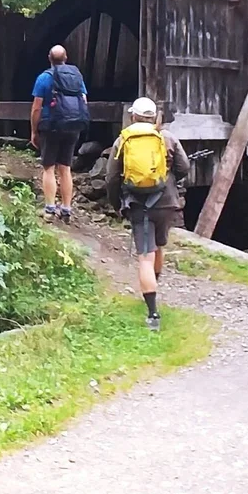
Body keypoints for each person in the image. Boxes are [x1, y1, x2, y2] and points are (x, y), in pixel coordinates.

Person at [103, 97, 189, 331]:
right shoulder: (167, 137)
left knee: (145, 256)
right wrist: (168, 181)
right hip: (166, 201)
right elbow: (184, 167)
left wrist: (116, 203)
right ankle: (154, 285)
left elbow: (111, 178)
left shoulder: (123, 140)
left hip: (138, 204)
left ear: (133, 116)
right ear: (154, 117)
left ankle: (153, 313)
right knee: (159, 247)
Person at [28, 45, 88, 222]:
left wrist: (34, 130)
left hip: (51, 127)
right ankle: (66, 209)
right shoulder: (77, 76)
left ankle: (49, 209)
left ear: (49, 58)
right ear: (66, 57)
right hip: (72, 126)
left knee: (49, 168)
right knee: (65, 168)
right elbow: (84, 100)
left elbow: (36, 108)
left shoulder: (44, 78)